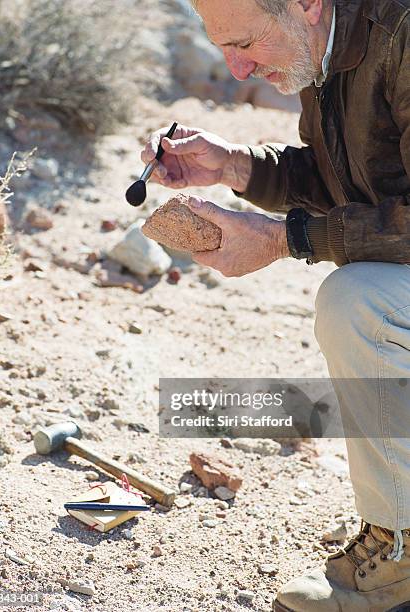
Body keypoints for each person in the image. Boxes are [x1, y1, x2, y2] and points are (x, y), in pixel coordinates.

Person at [141, 0, 410, 610]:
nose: (237, 70)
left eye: (245, 42)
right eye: (223, 50)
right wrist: (235, 166)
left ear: (305, 5)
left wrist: (280, 240)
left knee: (361, 303)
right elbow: (348, 181)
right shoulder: (328, 46)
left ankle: (401, 563)